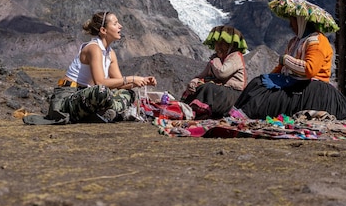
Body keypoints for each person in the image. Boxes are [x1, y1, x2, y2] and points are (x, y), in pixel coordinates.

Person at [24, 11, 157, 125]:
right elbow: (100, 82)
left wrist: (138, 82)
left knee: (129, 93)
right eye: (115, 24)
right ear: (103, 30)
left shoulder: (110, 53)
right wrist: (131, 78)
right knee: (101, 91)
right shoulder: (94, 48)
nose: (120, 26)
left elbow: (119, 83)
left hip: (86, 96)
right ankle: (112, 113)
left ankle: (106, 113)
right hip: (67, 96)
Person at [232, 14, 346, 120]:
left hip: (313, 87)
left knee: (273, 99)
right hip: (294, 81)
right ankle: (238, 112)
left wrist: (286, 59)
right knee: (259, 83)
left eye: (293, 21)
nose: (290, 25)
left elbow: (310, 70)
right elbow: (282, 66)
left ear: (302, 21)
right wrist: (269, 79)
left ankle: (246, 114)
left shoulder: (317, 41)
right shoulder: (294, 42)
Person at [181, 25, 247, 118]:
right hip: (219, 91)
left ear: (230, 44)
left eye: (222, 43)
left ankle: (201, 111)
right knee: (198, 88)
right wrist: (194, 82)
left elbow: (222, 73)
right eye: (217, 43)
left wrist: (215, 59)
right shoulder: (216, 58)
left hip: (232, 94)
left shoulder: (235, 56)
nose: (218, 46)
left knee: (208, 87)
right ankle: (186, 111)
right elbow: (201, 75)